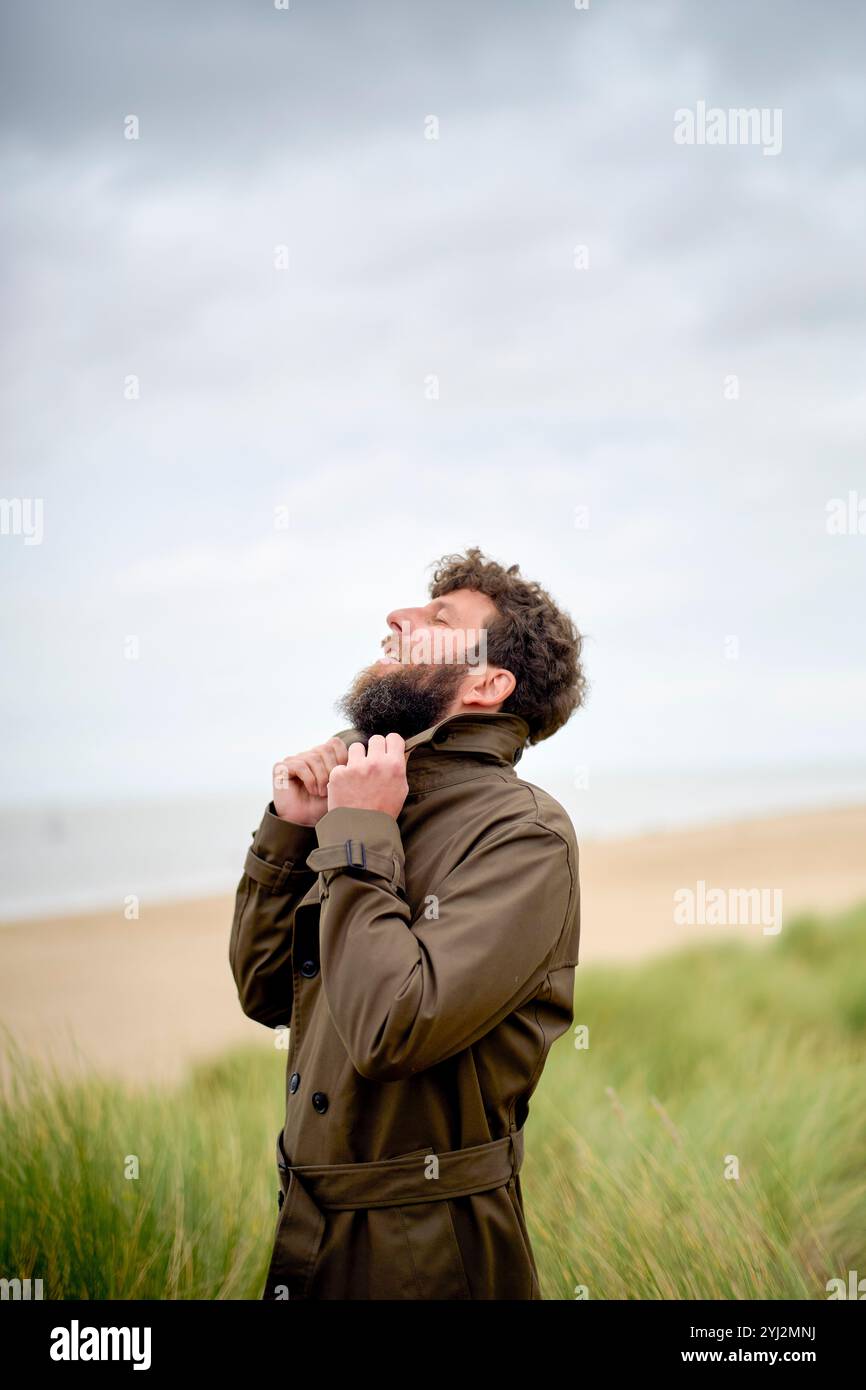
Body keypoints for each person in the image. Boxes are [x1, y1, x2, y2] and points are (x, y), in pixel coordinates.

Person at [229, 547, 586, 1299]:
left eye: (438, 619)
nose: (397, 618)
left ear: (489, 684)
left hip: (429, 1252)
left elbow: (395, 1027)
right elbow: (270, 995)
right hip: (306, 1233)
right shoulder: (378, 802)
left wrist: (358, 836)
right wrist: (295, 830)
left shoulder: (525, 834)